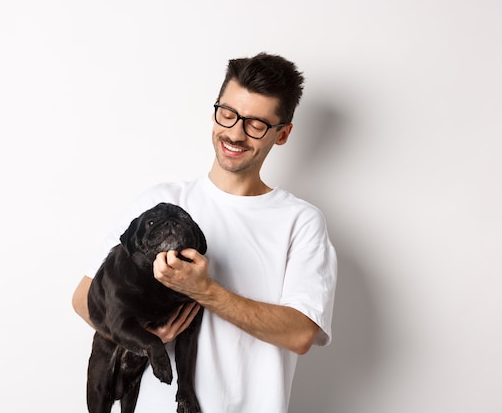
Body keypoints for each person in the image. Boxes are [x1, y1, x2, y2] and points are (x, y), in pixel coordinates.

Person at [72, 52, 337, 413]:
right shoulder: (159, 203)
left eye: (256, 124)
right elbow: (84, 298)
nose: (235, 133)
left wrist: (205, 291)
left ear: (283, 134)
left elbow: (302, 333)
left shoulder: (300, 221)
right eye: (228, 114)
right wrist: (146, 339)